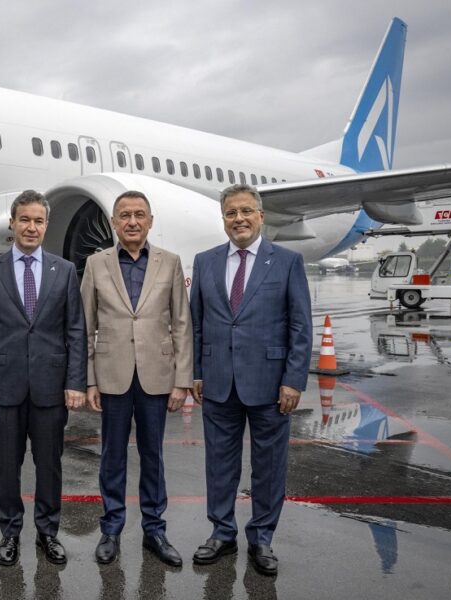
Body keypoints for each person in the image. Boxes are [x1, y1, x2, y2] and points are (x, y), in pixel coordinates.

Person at [189, 183, 312, 576]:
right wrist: (196, 372)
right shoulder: (205, 262)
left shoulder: (287, 261)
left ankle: (261, 537)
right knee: (219, 464)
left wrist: (293, 380)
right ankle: (222, 532)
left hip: (271, 384)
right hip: (218, 382)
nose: (238, 219)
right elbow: (197, 324)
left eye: (246, 211)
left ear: (261, 216)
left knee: (269, 466)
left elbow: (300, 326)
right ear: (223, 219)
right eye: (231, 213)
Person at [0, 189, 87, 567]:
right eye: (24, 220)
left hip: (51, 387)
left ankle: (48, 532)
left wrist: (75, 381)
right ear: (12, 223)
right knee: (6, 465)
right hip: (4, 386)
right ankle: (10, 531)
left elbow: (76, 331)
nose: (31, 227)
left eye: (38, 221)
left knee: (49, 464)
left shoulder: (63, 270)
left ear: (46, 225)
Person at [80, 190, 193, 566]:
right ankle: (111, 528)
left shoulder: (169, 262)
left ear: (150, 222)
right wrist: (90, 380)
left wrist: (182, 380)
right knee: (111, 456)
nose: (132, 221)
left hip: (156, 377)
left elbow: (182, 323)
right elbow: (85, 326)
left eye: (139, 215)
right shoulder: (96, 264)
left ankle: (154, 529)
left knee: (153, 455)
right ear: (114, 222)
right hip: (111, 376)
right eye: (125, 215)